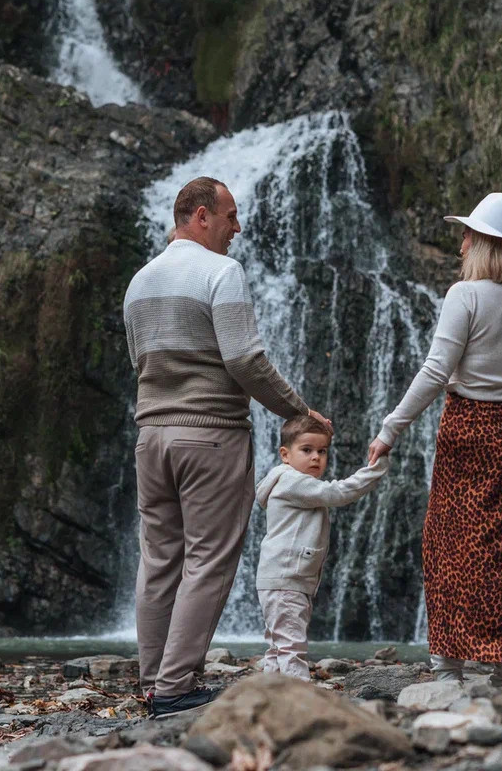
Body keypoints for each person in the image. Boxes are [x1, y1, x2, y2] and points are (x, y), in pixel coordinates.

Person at [123, 176, 333, 718]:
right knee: (209, 560)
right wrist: (298, 412)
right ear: (199, 216)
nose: (237, 228)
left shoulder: (139, 282)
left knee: (160, 557)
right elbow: (244, 359)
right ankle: (175, 688)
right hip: (210, 433)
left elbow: (140, 363)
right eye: (230, 216)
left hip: (151, 436)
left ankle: (153, 681)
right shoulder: (222, 271)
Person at [368, 192, 502, 686]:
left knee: (449, 545)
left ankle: (447, 668)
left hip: (468, 432)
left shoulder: (466, 296)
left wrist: (390, 429)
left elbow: (436, 372)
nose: (460, 243)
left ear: (485, 244)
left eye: (468, 234)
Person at [255, 415, 389, 679]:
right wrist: (376, 467)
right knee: (291, 644)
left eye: (322, 451)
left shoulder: (287, 480)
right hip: (286, 578)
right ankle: (301, 699)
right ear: (285, 454)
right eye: (307, 450)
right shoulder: (294, 481)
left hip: (283, 578)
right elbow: (338, 493)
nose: (316, 457)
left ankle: (270, 695)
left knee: (278, 645)